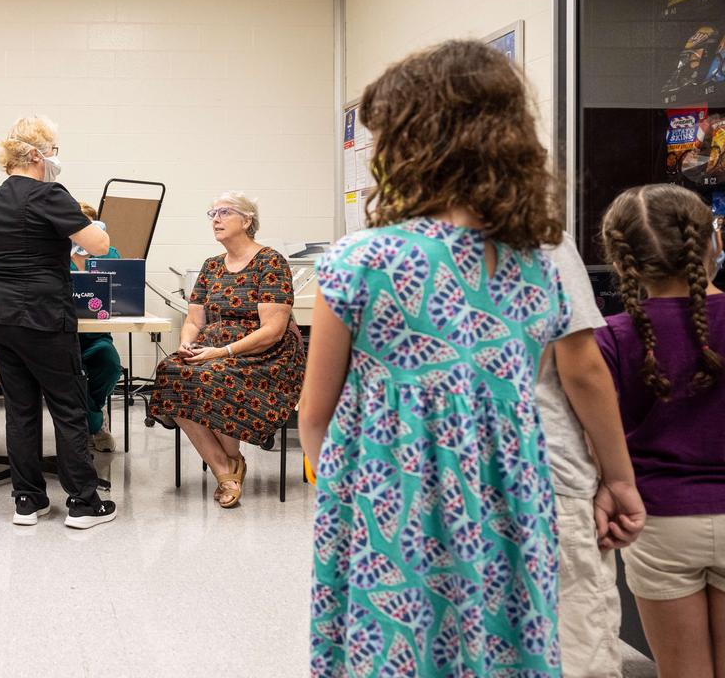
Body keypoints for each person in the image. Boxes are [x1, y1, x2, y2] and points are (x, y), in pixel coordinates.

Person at [299, 40, 570, 674]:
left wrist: (344, 490)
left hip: (383, 507)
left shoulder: (360, 261)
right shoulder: (538, 269)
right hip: (507, 514)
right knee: (500, 648)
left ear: (410, 143)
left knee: (392, 651)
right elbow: (506, 403)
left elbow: (315, 415)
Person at [595, 183, 725, 677]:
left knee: (681, 670)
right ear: (713, 242)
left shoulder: (610, 337)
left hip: (661, 523)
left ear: (623, 262)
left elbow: (597, 437)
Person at [0, 114, 117, 529]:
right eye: (54, 150)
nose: (56, 158)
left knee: (20, 410)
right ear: (38, 154)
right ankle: (83, 504)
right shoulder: (49, 193)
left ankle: (27, 501)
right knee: (68, 407)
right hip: (42, 315)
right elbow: (100, 244)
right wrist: (88, 226)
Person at [149, 191, 304, 508]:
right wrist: (187, 341)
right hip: (213, 348)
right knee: (170, 372)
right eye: (212, 214)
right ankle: (226, 467)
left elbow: (272, 331)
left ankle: (229, 466)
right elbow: (194, 319)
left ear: (247, 221)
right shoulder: (211, 266)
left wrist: (223, 352)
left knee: (212, 377)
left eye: (224, 212)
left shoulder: (270, 262)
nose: (216, 219)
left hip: (266, 356)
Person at [536, 236, 645, 676]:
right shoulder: (539, 240)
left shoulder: (371, 252)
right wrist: (619, 480)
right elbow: (581, 369)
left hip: (421, 491)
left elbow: (322, 410)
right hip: (546, 476)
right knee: (571, 648)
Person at [70, 202, 123, 453]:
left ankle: (91, 414)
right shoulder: (55, 254)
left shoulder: (108, 253)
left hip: (95, 336)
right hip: (62, 336)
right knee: (68, 376)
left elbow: (124, 291)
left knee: (110, 364)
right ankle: (96, 423)